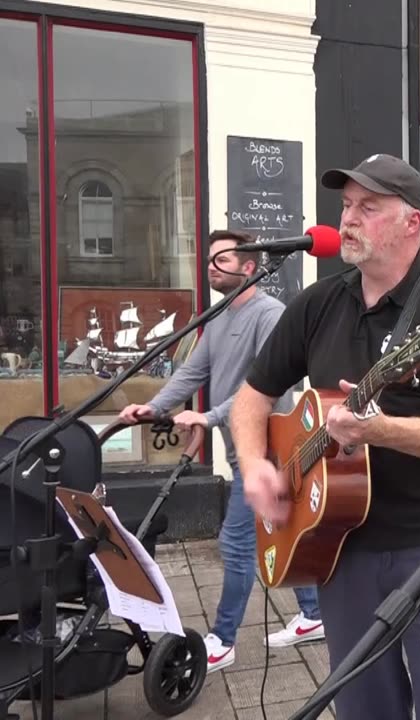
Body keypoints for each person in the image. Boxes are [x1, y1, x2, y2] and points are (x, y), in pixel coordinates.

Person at [231, 153, 420, 720]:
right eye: (347, 205)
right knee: (362, 708)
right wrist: (254, 466)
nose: (348, 218)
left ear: (412, 224)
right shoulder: (319, 303)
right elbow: (252, 396)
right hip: (340, 545)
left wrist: (379, 430)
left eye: (368, 208)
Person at [117, 230, 323, 673]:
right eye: (211, 258)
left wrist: (207, 418)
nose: (213, 265)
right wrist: (155, 406)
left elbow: (269, 387)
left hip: (269, 450)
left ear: (251, 267)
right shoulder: (218, 318)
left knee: (236, 543)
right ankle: (315, 613)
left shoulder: (271, 315)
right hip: (239, 451)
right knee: (283, 533)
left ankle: (223, 640)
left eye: (224, 258)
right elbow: (193, 371)